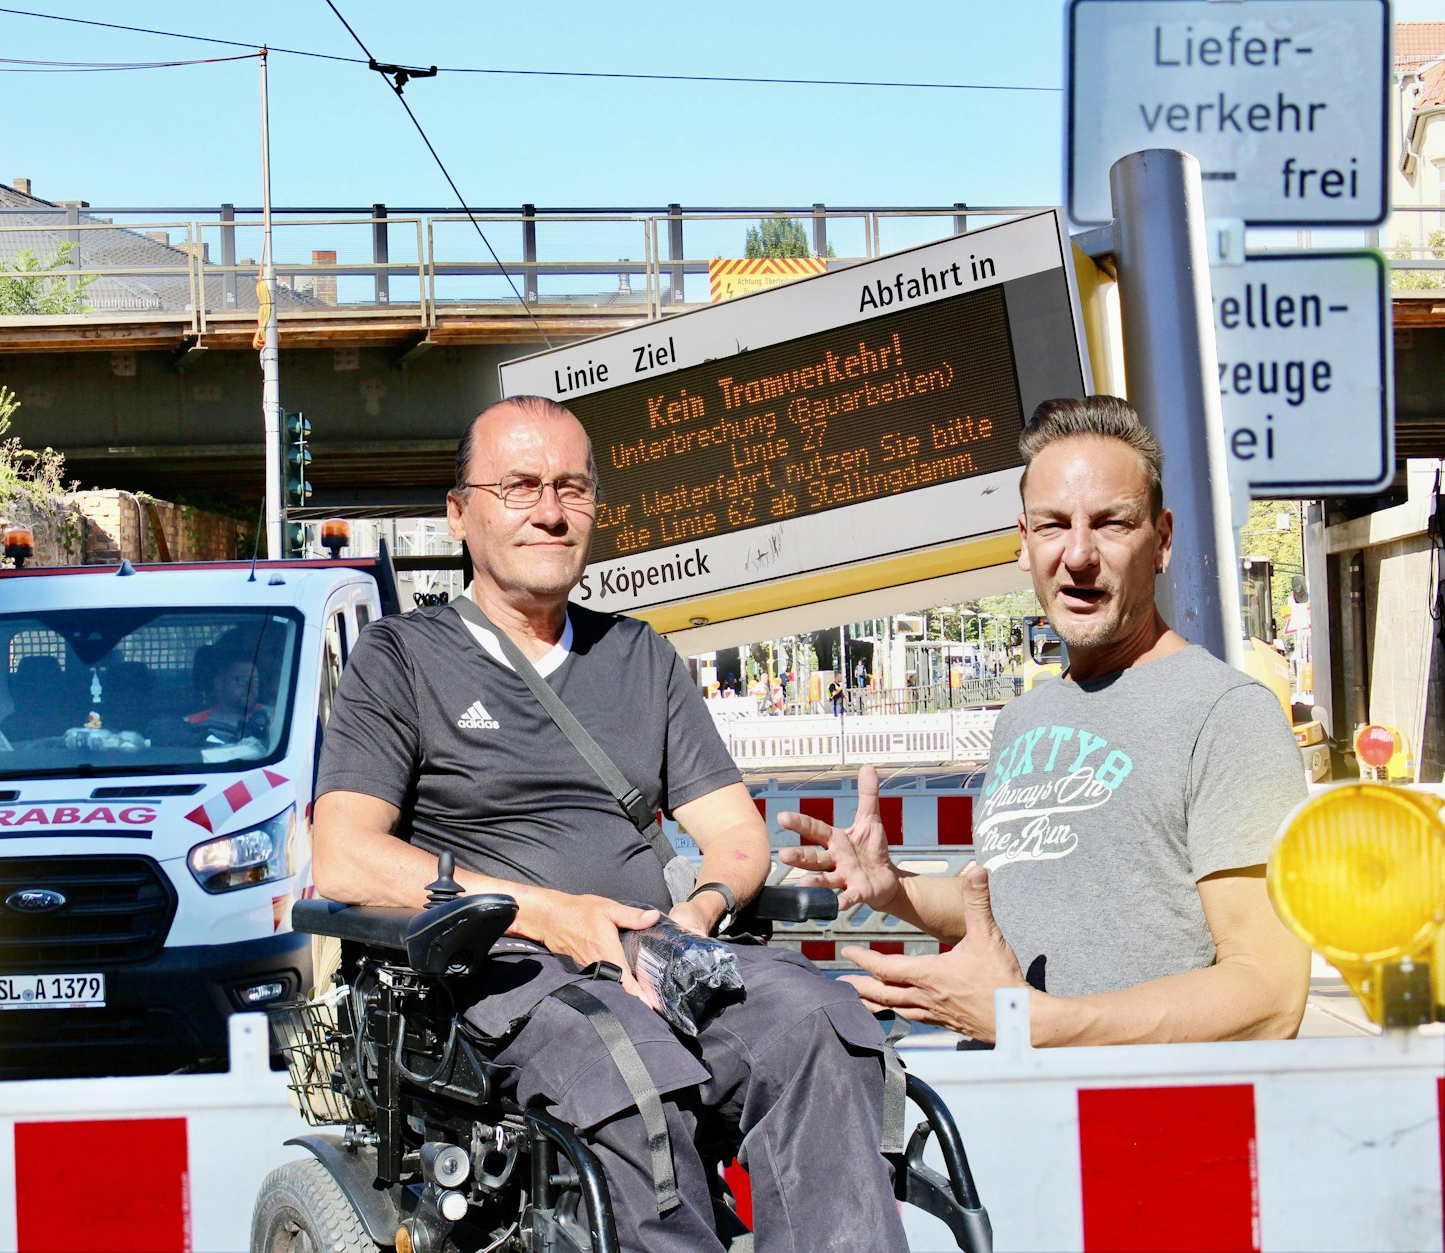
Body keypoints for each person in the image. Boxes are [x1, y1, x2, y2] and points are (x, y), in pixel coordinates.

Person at [314, 396, 905, 1253]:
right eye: (519, 486)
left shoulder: (639, 655)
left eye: (571, 488)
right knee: (627, 1069)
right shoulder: (403, 659)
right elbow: (343, 855)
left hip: (661, 954)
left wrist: (699, 911)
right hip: (509, 976)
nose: (550, 511)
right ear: (459, 514)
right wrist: (552, 914)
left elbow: (737, 836)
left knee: (821, 1024)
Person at [779, 396, 1309, 1046]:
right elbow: (1020, 907)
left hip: (1133, 1109)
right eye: (1054, 525)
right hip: (1006, 1101)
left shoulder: (1226, 714)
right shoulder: (1023, 718)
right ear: (1024, 544)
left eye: (1112, 523)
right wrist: (896, 890)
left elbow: (1269, 994)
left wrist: (1033, 1024)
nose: (1079, 554)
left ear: (1163, 540)